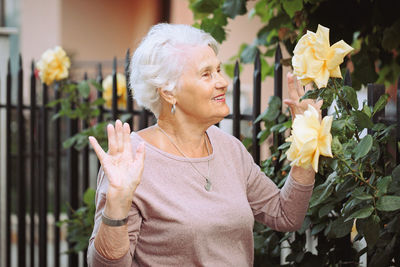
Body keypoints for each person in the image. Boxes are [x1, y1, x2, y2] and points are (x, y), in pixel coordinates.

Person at [87, 23, 321, 267]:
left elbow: (286, 215)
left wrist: (306, 136)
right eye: (206, 74)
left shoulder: (230, 149)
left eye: (218, 70)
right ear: (169, 92)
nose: (223, 82)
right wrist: (117, 204)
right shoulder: (132, 161)